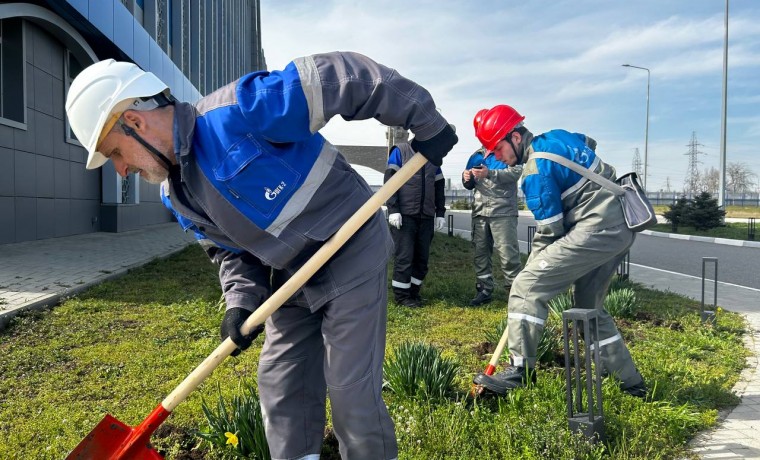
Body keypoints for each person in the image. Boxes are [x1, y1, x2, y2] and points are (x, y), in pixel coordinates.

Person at [65, 52, 457, 460]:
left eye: (114, 154)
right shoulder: (177, 195)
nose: (121, 171)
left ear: (134, 122)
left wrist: (423, 117)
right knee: (281, 384)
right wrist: (240, 303)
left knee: (350, 392)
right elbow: (231, 254)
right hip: (291, 276)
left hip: (351, 246)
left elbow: (343, 78)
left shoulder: (239, 110)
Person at [471, 104, 646, 398]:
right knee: (587, 307)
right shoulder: (558, 136)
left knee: (526, 287)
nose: (497, 157)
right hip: (619, 224)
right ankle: (629, 383)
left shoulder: (534, 171)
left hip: (595, 228)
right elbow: (587, 142)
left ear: (515, 137)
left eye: (498, 149)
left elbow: (549, 231)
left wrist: (530, 269)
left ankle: (519, 370)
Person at [462, 110, 522, 306]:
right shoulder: (476, 155)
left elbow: (515, 174)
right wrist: (467, 179)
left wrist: (489, 173)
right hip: (480, 212)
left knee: (508, 254)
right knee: (480, 253)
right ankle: (484, 289)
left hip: (502, 211)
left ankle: (515, 295)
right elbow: (469, 183)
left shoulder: (509, 150)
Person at [385, 135, 447, 307]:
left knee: (422, 259)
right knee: (405, 258)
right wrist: (393, 209)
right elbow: (390, 180)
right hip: (405, 215)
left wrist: (440, 212)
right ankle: (402, 297)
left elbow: (439, 186)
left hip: (425, 216)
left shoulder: (434, 157)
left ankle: (413, 293)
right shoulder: (401, 151)